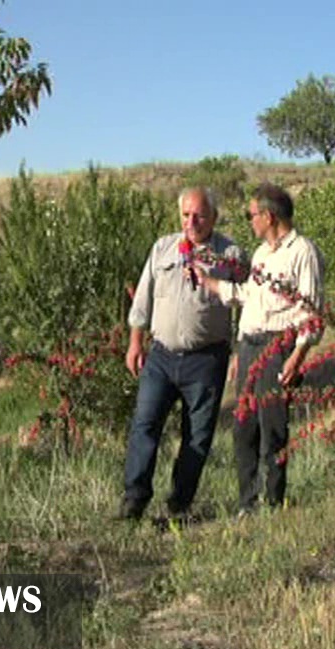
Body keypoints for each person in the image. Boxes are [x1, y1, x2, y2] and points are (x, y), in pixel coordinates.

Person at [117, 187, 247, 521]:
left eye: (200, 215)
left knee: (197, 436)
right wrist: (135, 342)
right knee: (145, 425)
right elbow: (142, 299)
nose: (192, 221)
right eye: (187, 214)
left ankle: (178, 506)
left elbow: (249, 302)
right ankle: (134, 500)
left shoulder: (230, 254)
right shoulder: (163, 247)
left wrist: (239, 352)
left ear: (214, 217)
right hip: (160, 356)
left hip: (206, 360)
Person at [194, 181, 324, 515]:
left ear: (268, 216)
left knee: (273, 428)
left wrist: (297, 355)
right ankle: (247, 504)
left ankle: (273, 502)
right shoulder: (263, 255)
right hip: (251, 346)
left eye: (251, 214)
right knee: (243, 427)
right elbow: (250, 298)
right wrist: (212, 285)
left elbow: (312, 311)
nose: (249, 220)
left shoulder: (302, 252)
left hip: (277, 347)